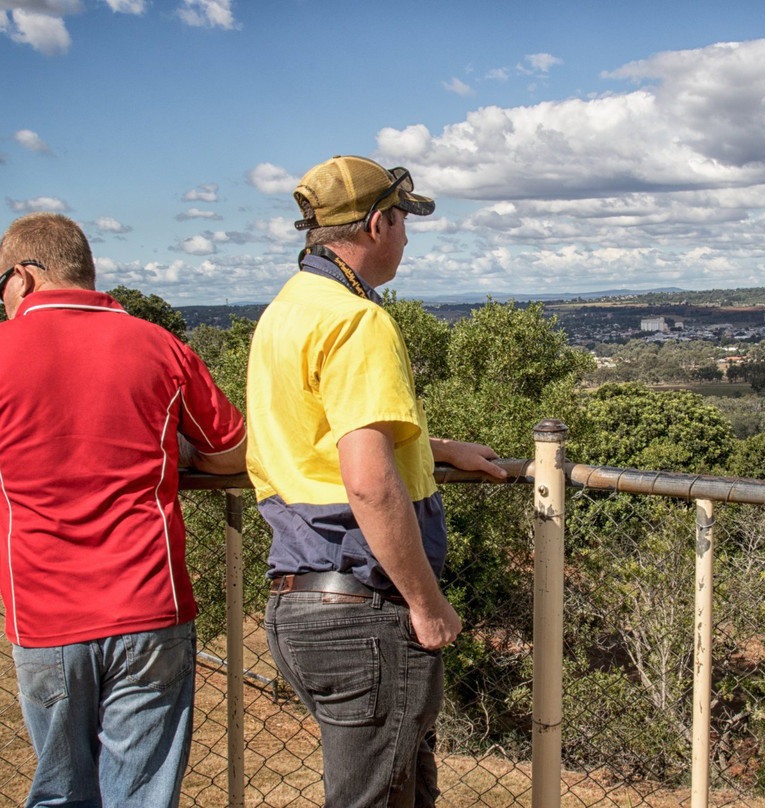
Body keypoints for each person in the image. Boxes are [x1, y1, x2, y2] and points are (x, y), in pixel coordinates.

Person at [246, 155, 506, 808]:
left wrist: (437, 448)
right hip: (365, 611)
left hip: (299, 602)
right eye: (403, 221)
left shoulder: (286, 312)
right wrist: (426, 603)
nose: (408, 237)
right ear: (375, 224)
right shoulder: (358, 321)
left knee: (405, 793)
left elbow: (324, 438)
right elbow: (366, 481)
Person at [0, 213, 248, 807]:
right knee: (140, 795)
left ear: (26, 277)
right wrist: (175, 448)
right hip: (148, 602)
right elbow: (230, 451)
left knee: (59, 793)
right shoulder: (159, 345)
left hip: (43, 612)